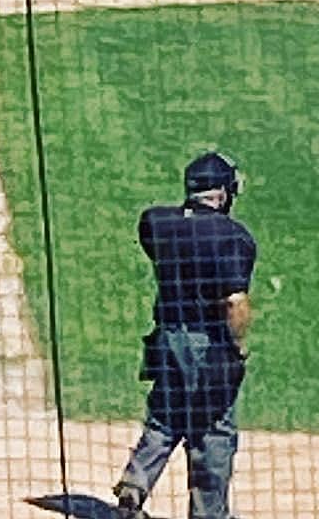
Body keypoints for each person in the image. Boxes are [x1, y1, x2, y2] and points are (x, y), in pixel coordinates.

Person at [113, 152, 256, 519]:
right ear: (223, 194)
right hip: (206, 346)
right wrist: (237, 347)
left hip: (166, 339)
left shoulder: (157, 223)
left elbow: (157, 244)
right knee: (213, 431)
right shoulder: (234, 237)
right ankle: (209, 514)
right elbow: (235, 302)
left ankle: (135, 484)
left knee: (166, 415)